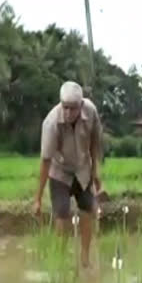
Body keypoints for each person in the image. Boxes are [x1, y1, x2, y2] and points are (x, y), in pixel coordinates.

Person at [34, 81, 103, 268]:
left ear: (80, 105)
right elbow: (46, 160)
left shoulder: (91, 112)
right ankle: (61, 259)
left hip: (82, 169)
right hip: (60, 171)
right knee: (62, 213)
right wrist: (38, 198)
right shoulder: (51, 123)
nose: (68, 113)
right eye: (65, 107)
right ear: (60, 104)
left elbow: (95, 143)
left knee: (88, 208)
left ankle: (85, 258)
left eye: (73, 109)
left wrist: (96, 172)